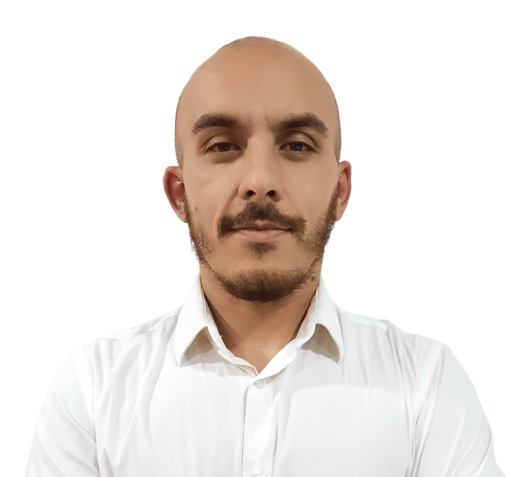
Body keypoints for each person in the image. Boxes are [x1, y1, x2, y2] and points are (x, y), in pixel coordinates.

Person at [25, 35, 504, 476]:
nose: (259, 180)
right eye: (222, 146)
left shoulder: (427, 386)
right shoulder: (93, 393)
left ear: (340, 191)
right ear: (179, 194)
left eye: (296, 145)